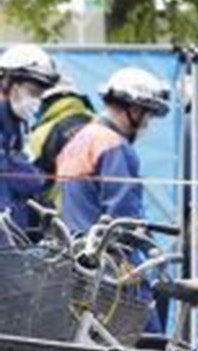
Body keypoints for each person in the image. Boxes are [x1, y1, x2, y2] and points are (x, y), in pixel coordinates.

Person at [55, 66, 169, 239]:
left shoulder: (81, 139)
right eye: (148, 116)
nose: (147, 124)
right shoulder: (113, 146)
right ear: (135, 110)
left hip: (75, 249)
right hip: (105, 255)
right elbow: (124, 216)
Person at [0, 45, 61, 239]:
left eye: (40, 95)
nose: (36, 100)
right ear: (8, 82)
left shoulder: (16, 123)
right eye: (32, 91)